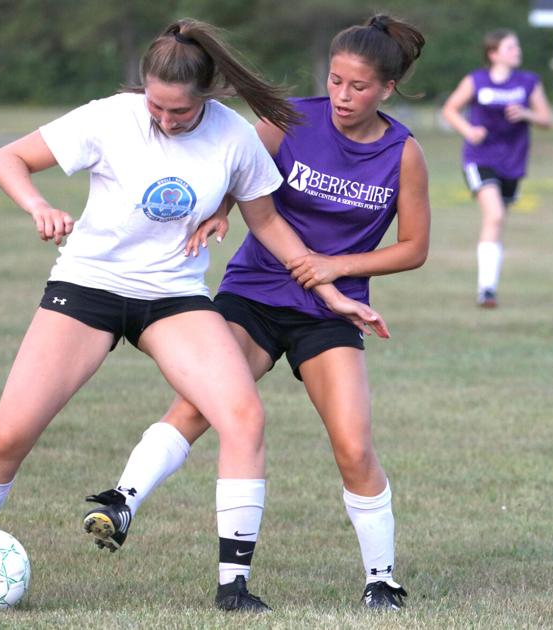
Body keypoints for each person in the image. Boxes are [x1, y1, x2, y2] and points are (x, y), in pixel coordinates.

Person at [0, 18, 388, 612]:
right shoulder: (109, 116)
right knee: (10, 434)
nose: (165, 120)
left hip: (172, 295)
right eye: (156, 105)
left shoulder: (233, 136)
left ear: (208, 96)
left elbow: (269, 222)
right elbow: (8, 159)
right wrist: (39, 205)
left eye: (179, 111)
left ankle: (233, 588)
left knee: (242, 416)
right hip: (89, 286)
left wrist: (331, 292)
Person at [82, 14, 430, 611]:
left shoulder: (404, 154)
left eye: (359, 87)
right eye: (337, 80)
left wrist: (336, 268)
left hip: (329, 312)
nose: (343, 97)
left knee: (353, 446)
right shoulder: (289, 120)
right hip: (255, 293)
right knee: (202, 403)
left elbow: (413, 249)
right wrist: (219, 210)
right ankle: (121, 500)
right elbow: (237, 177)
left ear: (387, 90)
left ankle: (382, 579)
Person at [441, 29, 552, 308]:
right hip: (480, 158)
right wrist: (468, 130)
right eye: (511, 47)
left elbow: (546, 119)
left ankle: (489, 286)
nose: (517, 51)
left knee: (498, 222)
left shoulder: (528, 82)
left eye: (517, 46)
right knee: (495, 215)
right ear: (493, 54)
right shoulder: (476, 80)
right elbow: (450, 109)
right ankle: (486, 290)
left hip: (513, 161)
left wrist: (526, 113)